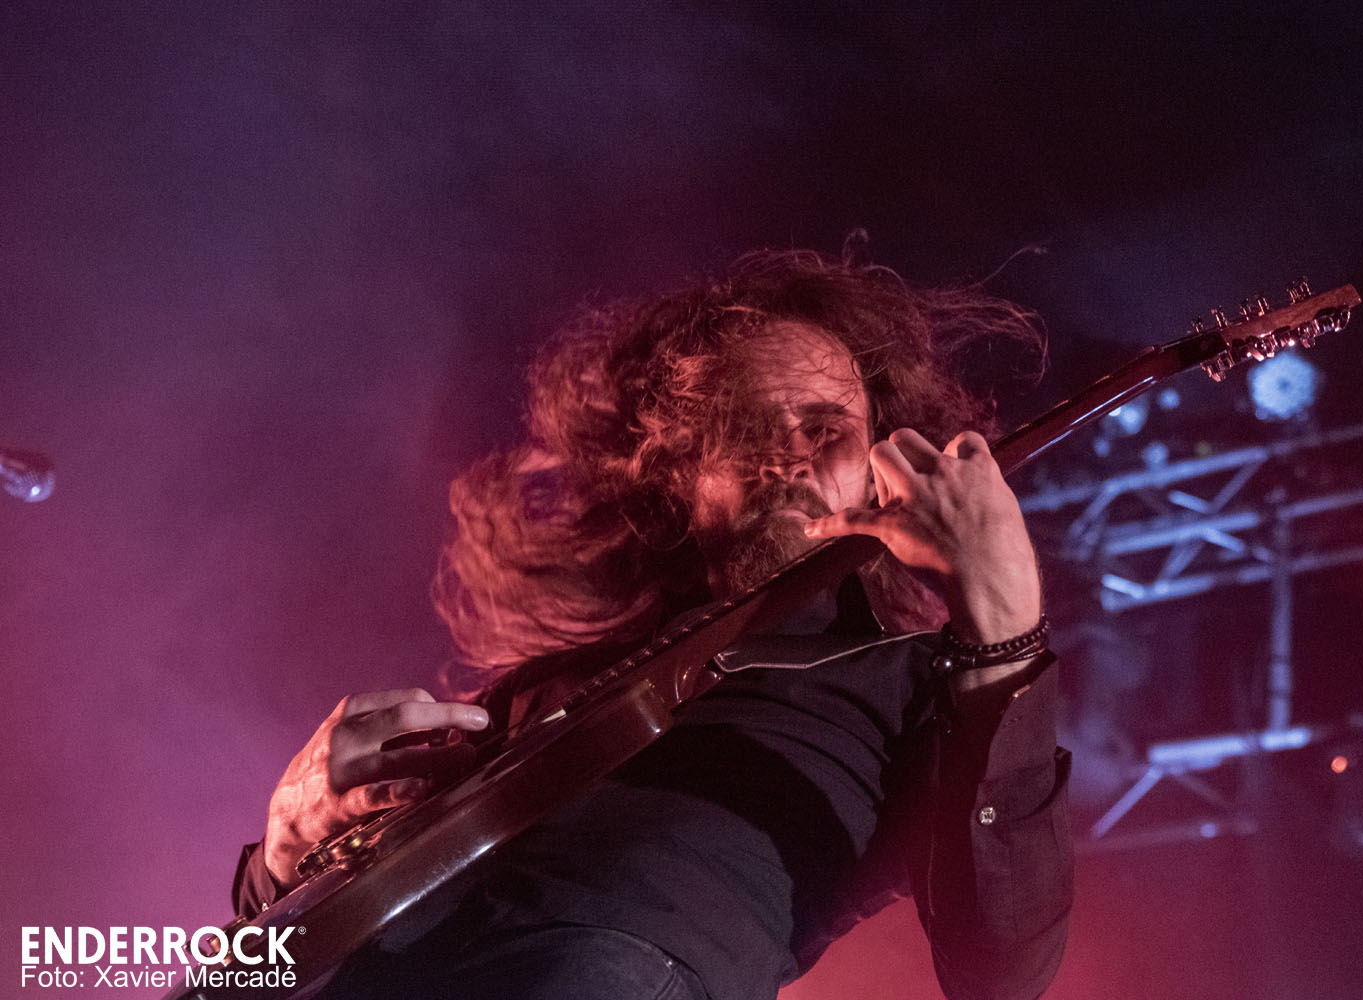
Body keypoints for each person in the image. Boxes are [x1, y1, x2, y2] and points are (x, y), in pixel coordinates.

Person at [233, 247, 1073, 1000]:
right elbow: (274, 954)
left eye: (825, 430)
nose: (786, 456)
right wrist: (282, 860)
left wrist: (1001, 626)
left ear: (877, 469)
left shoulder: (912, 679)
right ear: (680, 474)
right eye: (743, 428)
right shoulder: (544, 689)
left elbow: (1002, 970)